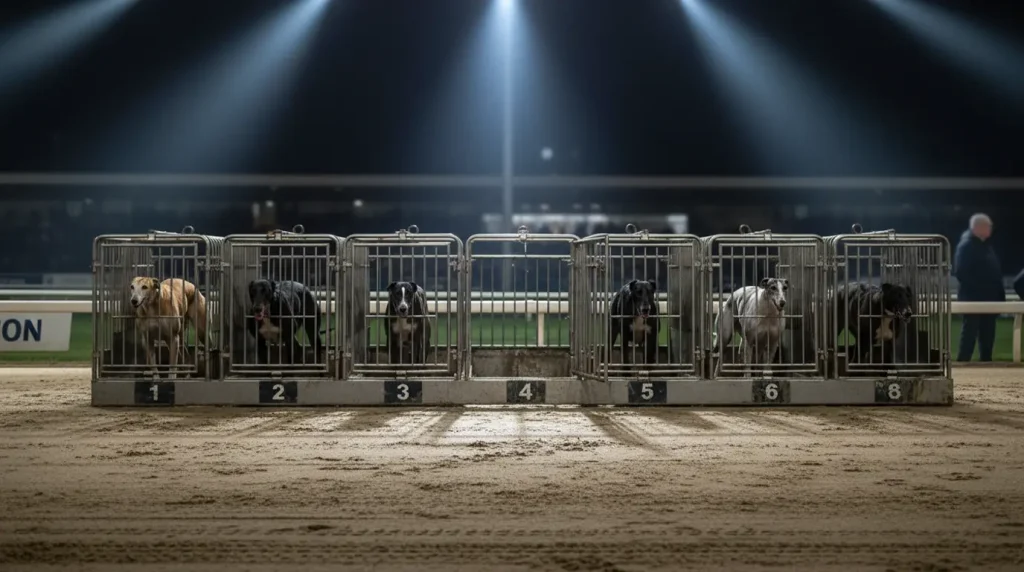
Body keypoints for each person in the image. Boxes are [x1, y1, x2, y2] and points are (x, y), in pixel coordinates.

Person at [954, 214, 1004, 362]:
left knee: (987, 337)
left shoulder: (985, 245)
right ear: (978, 227)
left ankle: (986, 364)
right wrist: (982, 290)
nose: (991, 229)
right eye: (988, 226)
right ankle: (963, 365)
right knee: (969, 336)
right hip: (974, 300)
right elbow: (961, 272)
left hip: (988, 301)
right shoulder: (966, 246)